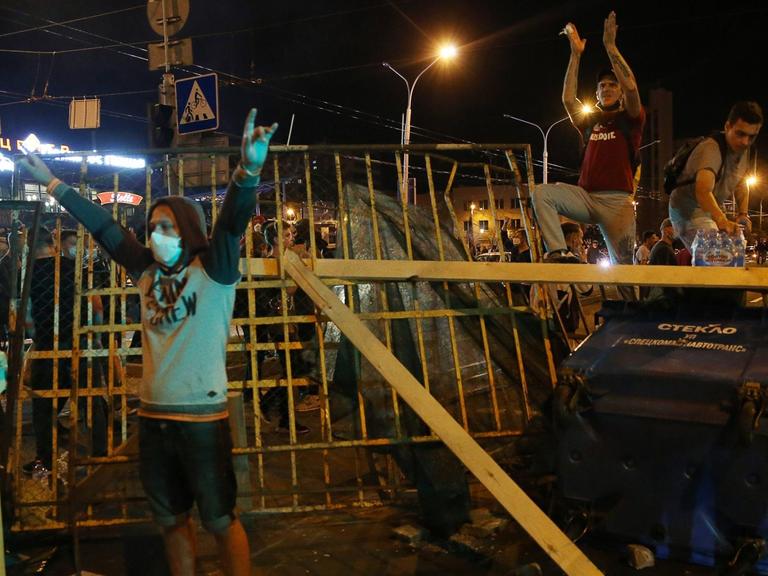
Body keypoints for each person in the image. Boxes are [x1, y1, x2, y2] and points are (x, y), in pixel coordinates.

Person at [18, 109, 277, 576]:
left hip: (203, 420)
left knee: (220, 519)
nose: (154, 235)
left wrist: (248, 171)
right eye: (152, 226)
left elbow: (234, 223)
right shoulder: (145, 273)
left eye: (166, 226)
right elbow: (103, 227)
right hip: (153, 418)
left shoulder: (214, 270)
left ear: (190, 231)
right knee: (171, 522)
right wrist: (53, 183)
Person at [531, 11, 644, 268]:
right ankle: (558, 252)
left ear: (620, 93)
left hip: (617, 202)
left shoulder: (631, 118)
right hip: (586, 197)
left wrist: (610, 46)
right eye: (603, 85)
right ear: (596, 92)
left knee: (625, 269)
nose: (607, 88)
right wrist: (575, 54)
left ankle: (631, 305)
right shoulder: (589, 121)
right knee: (542, 193)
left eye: (612, 85)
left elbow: (632, 88)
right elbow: (568, 100)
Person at [24, 229, 108, 476]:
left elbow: (26, 318)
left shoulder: (28, 275)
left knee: (44, 406)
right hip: (80, 343)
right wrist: (96, 336)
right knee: (90, 400)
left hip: (48, 347)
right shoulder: (73, 268)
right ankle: (101, 457)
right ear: (52, 244)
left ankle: (46, 460)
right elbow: (96, 306)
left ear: (30, 246)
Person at [669, 101, 763, 249]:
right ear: (727, 127)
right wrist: (722, 220)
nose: (745, 142)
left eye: (752, 136)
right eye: (740, 134)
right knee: (716, 254)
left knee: (730, 253)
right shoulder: (711, 149)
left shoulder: (745, 151)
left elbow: (740, 184)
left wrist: (743, 214)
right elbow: (703, 191)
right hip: (688, 210)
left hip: (709, 212)